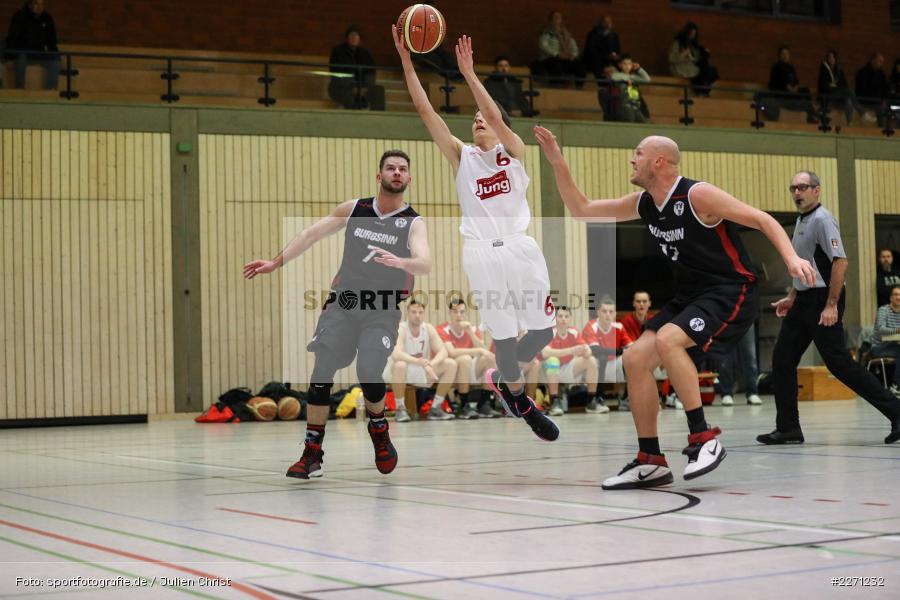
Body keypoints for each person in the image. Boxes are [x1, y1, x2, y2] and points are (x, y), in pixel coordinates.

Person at [533, 126, 817, 489]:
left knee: (668, 340)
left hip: (730, 289)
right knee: (635, 359)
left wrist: (791, 258)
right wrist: (556, 159)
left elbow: (762, 219)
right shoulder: (645, 203)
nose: (631, 159)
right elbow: (582, 210)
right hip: (690, 295)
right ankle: (650, 459)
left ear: (658, 161)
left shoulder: (698, 195)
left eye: (637, 153)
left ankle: (703, 438)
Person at [394, 28, 560, 441]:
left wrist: (469, 74)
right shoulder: (461, 156)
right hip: (481, 252)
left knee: (543, 332)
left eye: (483, 117)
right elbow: (426, 111)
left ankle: (505, 380)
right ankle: (519, 399)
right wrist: (407, 62)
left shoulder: (514, 151)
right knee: (503, 337)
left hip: (521, 248)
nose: (477, 121)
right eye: (473, 119)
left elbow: (497, 116)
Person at [243, 150, 431, 479]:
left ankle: (379, 428)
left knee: (369, 370)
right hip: (343, 304)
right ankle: (311, 452)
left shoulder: (413, 222)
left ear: (409, 178)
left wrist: (400, 262)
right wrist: (276, 263)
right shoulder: (355, 209)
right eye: (390, 168)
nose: (397, 173)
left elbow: (425, 263)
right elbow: (310, 234)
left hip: (381, 309)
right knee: (323, 369)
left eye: (402, 169)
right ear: (379, 175)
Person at [758, 172, 900, 446]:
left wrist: (831, 304)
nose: (797, 192)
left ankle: (895, 411)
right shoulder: (801, 220)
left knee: (839, 364)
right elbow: (805, 264)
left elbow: (840, 263)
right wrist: (792, 295)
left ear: (817, 190)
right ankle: (788, 428)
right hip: (803, 300)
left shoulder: (823, 219)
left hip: (824, 299)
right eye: (793, 188)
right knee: (782, 360)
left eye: (802, 187)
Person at [384, 300, 458, 422]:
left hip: (421, 369)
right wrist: (419, 362)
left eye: (420, 312)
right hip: (398, 371)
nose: (417, 315)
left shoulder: (428, 328)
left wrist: (430, 364)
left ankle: (435, 408)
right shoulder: (400, 328)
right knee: (400, 364)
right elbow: (396, 354)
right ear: (407, 313)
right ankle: (400, 409)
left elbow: (443, 351)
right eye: (414, 312)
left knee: (451, 364)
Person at [436, 298, 497, 419]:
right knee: (464, 359)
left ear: (466, 314)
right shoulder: (442, 329)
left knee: (489, 358)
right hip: (451, 371)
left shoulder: (472, 329)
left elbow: (483, 350)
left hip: (470, 369)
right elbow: (452, 353)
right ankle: (464, 405)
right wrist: (477, 351)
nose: (459, 315)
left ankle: (484, 404)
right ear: (449, 313)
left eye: (462, 312)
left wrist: (469, 331)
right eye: (455, 312)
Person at [535, 305, 602, 416]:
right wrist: (571, 350)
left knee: (591, 361)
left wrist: (586, 351)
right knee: (553, 360)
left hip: (566, 368)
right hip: (545, 372)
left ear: (570, 319)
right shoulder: (548, 332)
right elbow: (545, 353)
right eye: (560, 316)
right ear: (554, 318)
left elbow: (588, 350)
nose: (563, 319)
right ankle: (554, 402)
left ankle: (591, 401)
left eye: (566, 316)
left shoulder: (574, 332)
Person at [582, 296, 633, 413]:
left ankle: (626, 399)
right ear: (598, 312)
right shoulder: (591, 326)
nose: (607, 315)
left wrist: (626, 351)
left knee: (630, 357)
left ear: (615, 314)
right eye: (604, 311)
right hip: (594, 366)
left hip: (614, 364)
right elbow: (595, 350)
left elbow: (630, 346)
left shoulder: (618, 326)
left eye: (611, 312)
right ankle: (597, 398)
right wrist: (619, 351)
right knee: (601, 357)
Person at [4, 0, 59, 90]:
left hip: (39, 53)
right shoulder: (20, 16)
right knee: (21, 58)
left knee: (55, 61)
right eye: (36, 3)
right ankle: (19, 90)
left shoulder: (47, 18)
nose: (39, 7)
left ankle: (50, 91)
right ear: (30, 5)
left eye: (42, 4)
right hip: (22, 53)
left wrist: (56, 56)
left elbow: (51, 42)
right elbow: (12, 37)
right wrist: (9, 57)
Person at [328, 25, 385, 111]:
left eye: (356, 35)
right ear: (347, 38)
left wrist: (365, 88)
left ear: (359, 38)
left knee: (379, 91)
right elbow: (335, 71)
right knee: (349, 98)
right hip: (342, 87)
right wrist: (352, 87)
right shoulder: (338, 51)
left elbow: (371, 72)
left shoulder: (365, 54)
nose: (354, 38)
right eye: (351, 35)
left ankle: (378, 119)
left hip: (363, 88)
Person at [817, 49, 874, 125]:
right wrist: (836, 88)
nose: (831, 59)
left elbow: (844, 84)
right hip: (828, 96)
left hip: (838, 96)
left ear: (836, 59)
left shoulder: (839, 69)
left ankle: (849, 123)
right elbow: (824, 86)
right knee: (849, 91)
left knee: (848, 100)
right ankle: (862, 114)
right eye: (829, 57)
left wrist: (837, 87)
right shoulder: (824, 69)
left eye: (832, 57)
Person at [763, 46, 817, 123]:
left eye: (787, 54)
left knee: (805, 90)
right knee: (804, 102)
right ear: (779, 55)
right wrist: (786, 87)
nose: (785, 56)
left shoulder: (791, 67)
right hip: (782, 94)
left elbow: (796, 81)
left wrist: (795, 87)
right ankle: (814, 114)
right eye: (783, 54)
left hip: (792, 92)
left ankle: (811, 115)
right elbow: (774, 83)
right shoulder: (776, 68)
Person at [534, 10, 585, 88]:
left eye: (559, 17)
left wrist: (573, 55)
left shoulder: (566, 34)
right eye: (555, 17)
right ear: (551, 21)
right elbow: (543, 46)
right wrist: (557, 54)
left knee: (579, 65)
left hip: (566, 58)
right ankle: (555, 87)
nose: (558, 19)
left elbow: (574, 47)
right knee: (556, 65)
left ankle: (579, 88)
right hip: (550, 58)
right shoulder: (546, 33)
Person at [716, 323, 762, 406]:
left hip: (746, 315)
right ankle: (726, 393)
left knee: (750, 355)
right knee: (724, 357)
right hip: (725, 315)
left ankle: (753, 392)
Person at [668, 23, 718, 96]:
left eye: (694, 34)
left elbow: (696, 58)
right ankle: (701, 91)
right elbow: (671, 58)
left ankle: (703, 91)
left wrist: (703, 53)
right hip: (681, 69)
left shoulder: (693, 46)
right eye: (691, 34)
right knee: (702, 74)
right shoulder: (677, 44)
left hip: (692, 68)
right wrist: (683, 55)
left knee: (707, 72)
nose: (692, 36)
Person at [871, 286, 900, 397]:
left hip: (895, 346)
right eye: (896, 294)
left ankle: (896, 385)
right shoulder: (883, 310)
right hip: (879, 347)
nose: (898, 297)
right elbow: (881, 330)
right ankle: (896, 385)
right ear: (890, 298)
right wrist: (897, 330)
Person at [609, 54, 651, 123]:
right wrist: (630, 78)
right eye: (624, 64)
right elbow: (614, 77)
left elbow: (647, 79)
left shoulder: (634, 77)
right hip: (625, 106)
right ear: (620, 65)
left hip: (635, 106)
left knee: (643, 123)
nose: (627, 66)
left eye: (629, 64)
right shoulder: (617, 75)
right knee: (629, 122)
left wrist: (639, 69)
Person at [582, 15, 621, 81]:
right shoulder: (593, 34)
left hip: (611, 57)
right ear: (601, 23)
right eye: (605, 22)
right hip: (597, 57)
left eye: (609, 22)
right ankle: (601, 83)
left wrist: (616, 55)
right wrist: (606, 55)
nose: (607, 24)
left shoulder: (614, 35)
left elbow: (617, 48)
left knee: (623, 61)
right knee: (597, 62)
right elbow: (591, 50)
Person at [855, 53, 890, 121]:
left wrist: (884, 99)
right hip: (865, 99)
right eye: (879, 61)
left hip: (878, 100)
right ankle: (880, 127)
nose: (881, 63)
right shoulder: (862, 72)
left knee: (886, 106)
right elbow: (861, 89)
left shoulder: (881, 74)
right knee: (880, 108)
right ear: (873, 60)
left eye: (882, 62)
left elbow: (885, 88)